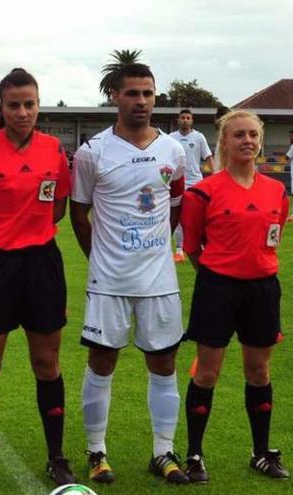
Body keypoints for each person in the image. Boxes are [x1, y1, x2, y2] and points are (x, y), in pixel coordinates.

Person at [0, 68, 75, 489]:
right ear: (0, 107)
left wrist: (28, 235)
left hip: (42, 265)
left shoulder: (55, 150)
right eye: (13, 105)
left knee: (47, 363)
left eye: (29, 104)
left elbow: (57, 207)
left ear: (38, 105)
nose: (22, 112)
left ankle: (57, 457)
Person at [70, 62, 189, 485]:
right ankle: (97, 451)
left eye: (148, 93)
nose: (141, 101)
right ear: (115, 97)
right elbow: (79, 214)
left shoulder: (173, 151)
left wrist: (155, 248)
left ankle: (163, 451)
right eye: (132, 93)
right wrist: (100, 258)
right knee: (102, 361)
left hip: (158, 280)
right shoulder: (93, 152)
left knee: (164, 362)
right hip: (109, 281)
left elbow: (175, 205)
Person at [180, 110, 291, 482]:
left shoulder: (276, 191)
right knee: (207, 373)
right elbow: (193, 246)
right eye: (238, 135)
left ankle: (261, 452)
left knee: (258, 371)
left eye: (253, 135)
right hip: (217, 288)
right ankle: (194, 454)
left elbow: (273, 240)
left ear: (260, 142)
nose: (247, 141)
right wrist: (218, 276)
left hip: (263, 288)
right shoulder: (204, 192)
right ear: (224, 143)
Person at [169, 109, 213, 263]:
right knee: (179, 215)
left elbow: (208, 156)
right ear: (178, 120)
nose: (185, 120)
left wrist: (214, 176)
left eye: (188, 118)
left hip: (196, 181)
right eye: (183, 117)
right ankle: (179, 251)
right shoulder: (171, 138)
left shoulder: (199, 137)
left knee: (200, 216)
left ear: (192, 120)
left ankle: (205, 246)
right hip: (178, 181)